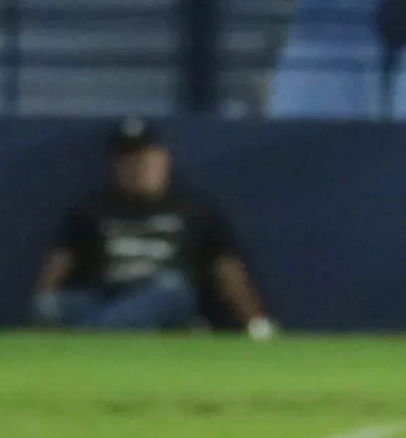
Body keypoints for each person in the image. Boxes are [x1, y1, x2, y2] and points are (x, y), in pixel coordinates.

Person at [32, 119, 278, 337]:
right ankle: (118, 332)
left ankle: (96, 336)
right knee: (50, 306)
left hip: (165, 295)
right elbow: (57, 266)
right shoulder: (92, 209)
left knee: (171, 288)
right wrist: (40, 306)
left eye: (147, 157)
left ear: (164, 159)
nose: (140, 166)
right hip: (107, 296)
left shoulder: (194, 209)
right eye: (130, 160)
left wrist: (255, 322)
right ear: (116, 166)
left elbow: (227, 269)